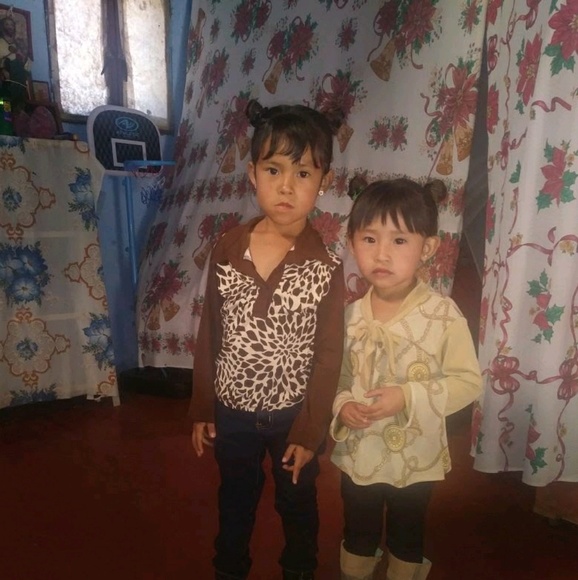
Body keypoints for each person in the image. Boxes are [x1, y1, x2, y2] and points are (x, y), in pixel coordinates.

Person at [190, 98, 345, 580]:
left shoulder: (326, 266)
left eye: (303, 173)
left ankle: (299, 569)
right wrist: (202, 404)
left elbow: (329, 356)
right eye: (274, 169)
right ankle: (229, 568)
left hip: (292, 416)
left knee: (297, 502)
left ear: (324, 182)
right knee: (235, 500)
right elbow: (211, 330)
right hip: (232, 411)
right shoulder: (228, 248)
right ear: (252, 174)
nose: (286, 186)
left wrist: (310, 430)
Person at [330, 176, 482, 580]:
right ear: (351, 243)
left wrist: (408, 396)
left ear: (427, 248)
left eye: (399, 240)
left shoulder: (443, 315)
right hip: (360, 452)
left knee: (407, 529)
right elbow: (337, 378)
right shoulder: (349, 316)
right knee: (358, 527)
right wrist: (343, 405)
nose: (382, 254)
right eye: (369, 239)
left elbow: (468, 382)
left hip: (416, 456)